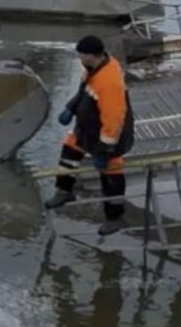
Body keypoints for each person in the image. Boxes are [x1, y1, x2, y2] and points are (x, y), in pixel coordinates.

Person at [44, 35, 135, 235]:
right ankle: (64, 191)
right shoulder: (94, 67)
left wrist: (104, 151)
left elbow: (114, 119)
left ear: (93, 55)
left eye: (82, 55)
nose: (79, 58)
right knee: (70, 148)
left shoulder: (109, 82)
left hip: (110, 135)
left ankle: (114, 217)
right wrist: (70, 108)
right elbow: (83, 91)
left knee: (111, 173)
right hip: (88, 128)